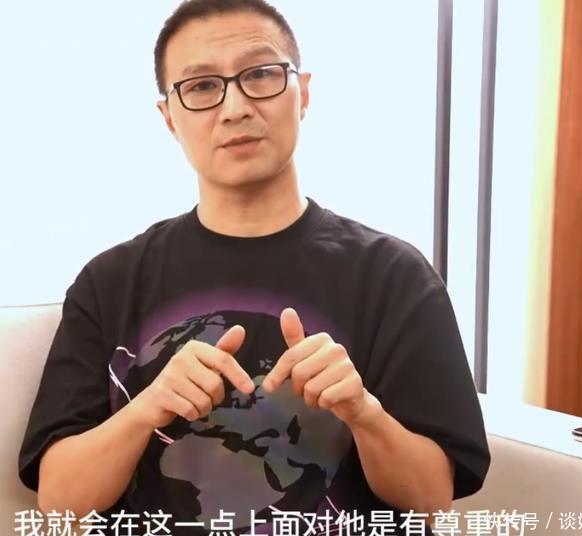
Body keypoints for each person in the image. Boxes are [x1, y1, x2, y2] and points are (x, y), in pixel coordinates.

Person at [18, 1, 490, 534]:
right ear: (169, 118)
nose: (235, 107)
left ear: (302, 92)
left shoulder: (395, 277)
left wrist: (363, 412)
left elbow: (431, 501)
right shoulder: (109, 282)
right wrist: (146, 409)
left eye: (260, 74)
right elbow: (61, 504)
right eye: (201, 86)